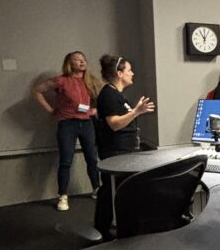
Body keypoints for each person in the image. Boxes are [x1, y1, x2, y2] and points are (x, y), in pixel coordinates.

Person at [94, 54, 155, 239]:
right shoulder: (108, 95)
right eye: (129, 70)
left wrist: (136, 112)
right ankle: (107, 232)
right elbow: (114, 124)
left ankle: (110, 229)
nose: (132, 73)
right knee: (114, 192)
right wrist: (137, 111)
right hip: (116, 153)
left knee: (119, 192)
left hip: (125, 152)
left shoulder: (117, 95)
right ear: (119, 73)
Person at [34, 51, 101, 211]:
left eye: (83, 59)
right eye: (77, 60)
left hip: (86, 124)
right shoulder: (61, 81)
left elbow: (102, 99)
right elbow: (37, 91)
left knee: (92, 158)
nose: (82, 62)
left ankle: (96, 189)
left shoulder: (90, 81)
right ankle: (63, 196)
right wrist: (51, 110)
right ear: (69, 63)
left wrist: (94, 110)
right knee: (66, 160)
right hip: (67, 124)